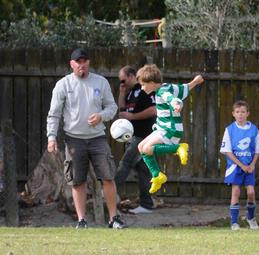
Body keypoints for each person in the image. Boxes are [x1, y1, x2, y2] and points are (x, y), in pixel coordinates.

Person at [46, 48, 125, 229]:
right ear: (71, 64)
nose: (82, 65)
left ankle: (114, 219)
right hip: (74, 139)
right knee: (77, 180)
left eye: (85, 61)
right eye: (78, 62)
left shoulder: (101, 82)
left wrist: (101, 116)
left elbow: (112, 108)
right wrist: (51, 137)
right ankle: (82, 221)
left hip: (98, 138)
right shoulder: (63, 85)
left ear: (89, 62)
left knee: (108, 177)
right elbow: (54, 114)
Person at [136, 64, 204, 194]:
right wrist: (195, 82)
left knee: (147, 149)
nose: (142, 88)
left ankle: (178, 148)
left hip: (170, 129)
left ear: (151, 82)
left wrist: (176, 104)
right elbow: (184, 88)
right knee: (140, 147)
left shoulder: (162, 91)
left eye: (143, 85)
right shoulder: (167, 86)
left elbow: (171, 98)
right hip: (162, 127)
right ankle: (157, 176)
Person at [115, 65, 156, 214]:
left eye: (123, 80)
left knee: (125, 163)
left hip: (144, 136)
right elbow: (122, 111)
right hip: (134, 136)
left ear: (132, 76)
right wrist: (122, 93)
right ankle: (146, 204)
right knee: (143, 170)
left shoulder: (144, 89)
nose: (122, 83)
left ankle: (108, 195)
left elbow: (153, 110)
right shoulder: (129, 91)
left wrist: (133, 117)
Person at [220, 100, 259, 231]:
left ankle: (251, 218)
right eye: (237, 112)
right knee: (236, 191)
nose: (240, 114)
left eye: (243, 112)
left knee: (251, 192)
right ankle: (234, 222)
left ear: (248, 114)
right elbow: (227, 151)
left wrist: (252, 164)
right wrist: (241, 165)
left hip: (249, 166)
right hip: (235, 167)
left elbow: (258, 150)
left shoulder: (254, 129)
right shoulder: (229, 130)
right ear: (233, 114)